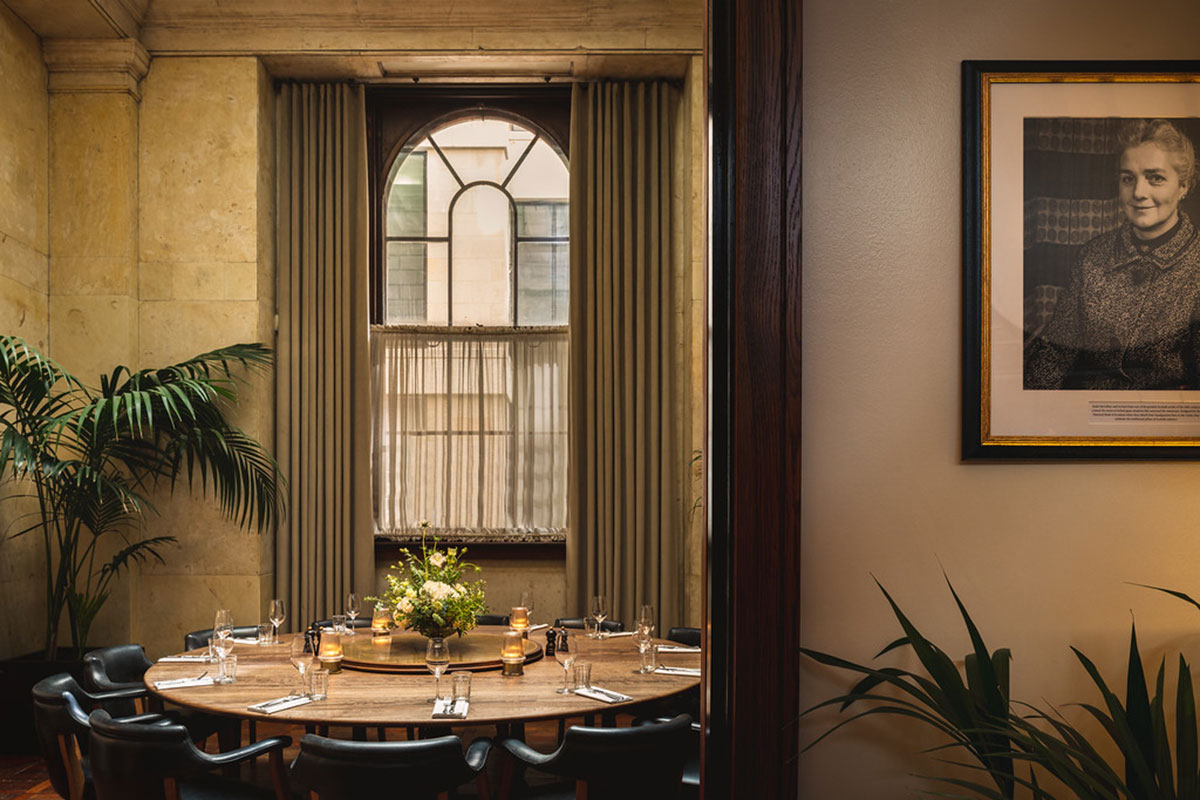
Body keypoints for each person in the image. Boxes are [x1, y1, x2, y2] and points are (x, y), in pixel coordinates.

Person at [1025, 118, 1200, 390]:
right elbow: (1055, 353)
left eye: (1156, 178)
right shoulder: (1093, 256)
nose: (1139, 193)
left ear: (1184, 186)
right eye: (1128, 178)